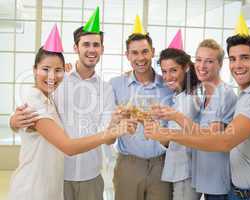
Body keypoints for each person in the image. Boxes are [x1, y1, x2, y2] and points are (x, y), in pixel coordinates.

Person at [145, 34, 250, 200]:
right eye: (233, 59)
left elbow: (222, 140)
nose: (238, 64)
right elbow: (208, 134)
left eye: (245, 58)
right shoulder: (240, 95)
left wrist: (171, 129)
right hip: (233, 188)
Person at [8, 47, 136, 200]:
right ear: (35, 70)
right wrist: (13, 121)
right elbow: (68, 147)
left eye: (57, 70)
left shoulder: (48, 98)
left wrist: (114, 124)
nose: (52, 76)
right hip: (33, 188)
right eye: (45, 69)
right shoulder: (37, 102)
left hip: (54, 184)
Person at [152, 39, 237, 200]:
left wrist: (173, 119)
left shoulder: (222, 94)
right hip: (202, 176)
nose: (202, 65)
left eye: (209, 61)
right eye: (199, 60)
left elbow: (211, 138)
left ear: (219, 64)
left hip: (214, 180)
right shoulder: (204, 93)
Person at [109, 33, 173, 200]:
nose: (140, 58)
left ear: (152, 52)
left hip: (162, 164)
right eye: (134, 53)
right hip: (129, 164)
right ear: (127, 55)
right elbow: (107, 127)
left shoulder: (168, 85)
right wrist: (117, 121)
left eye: (145, 51)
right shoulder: (115, 84)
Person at [156, 47, 199, 200]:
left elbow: (196, 135)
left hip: (186, 171)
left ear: (186, 68)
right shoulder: (178, 96)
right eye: (164, 71)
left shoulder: (192, 98)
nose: (168, 77)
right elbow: (169, 141)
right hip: (179, 170)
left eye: (173, 70)